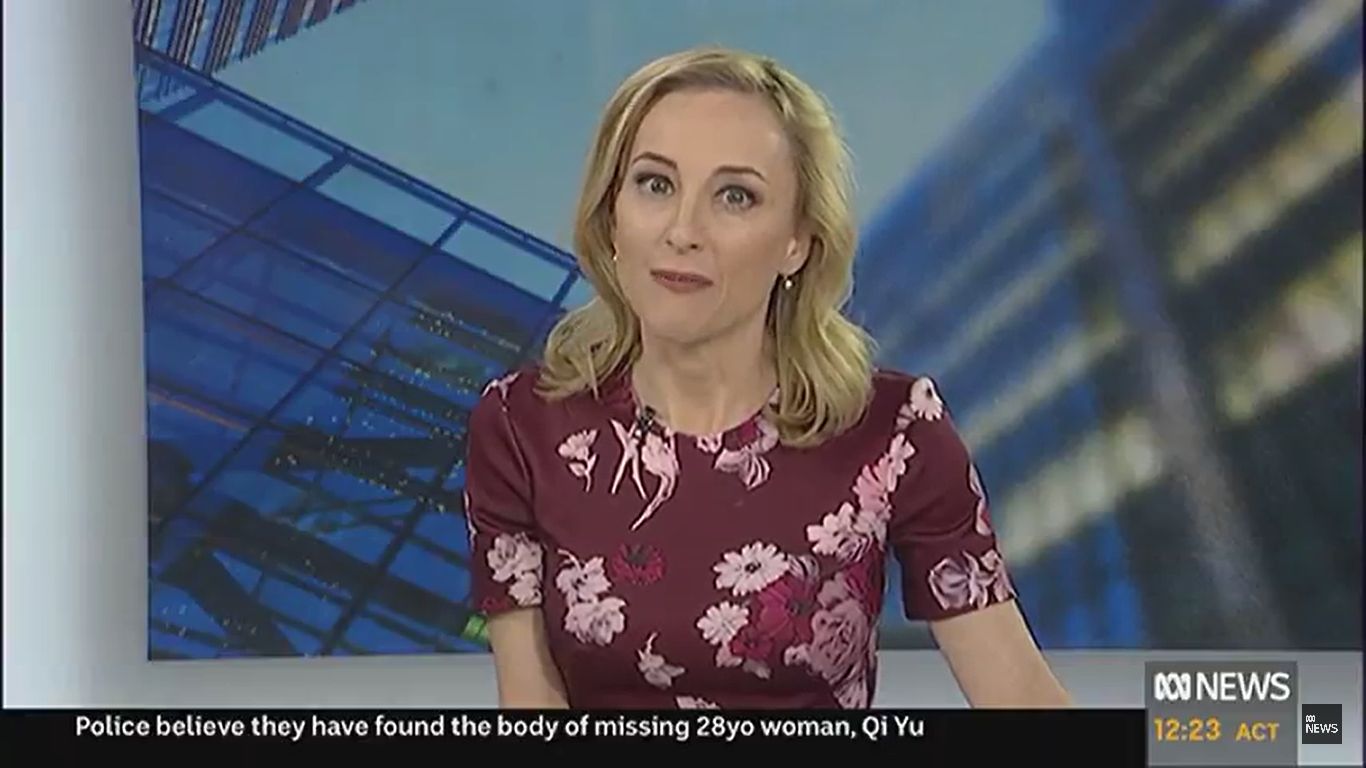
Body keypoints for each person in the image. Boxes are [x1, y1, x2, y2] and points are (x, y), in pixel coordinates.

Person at [463, 45, 1071, 710]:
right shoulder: (521, 427)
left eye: (736, 196)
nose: (683, 231)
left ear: (796, 241)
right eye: (656, 184)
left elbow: (1023, 701)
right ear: (611, 216)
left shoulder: (894, 432)